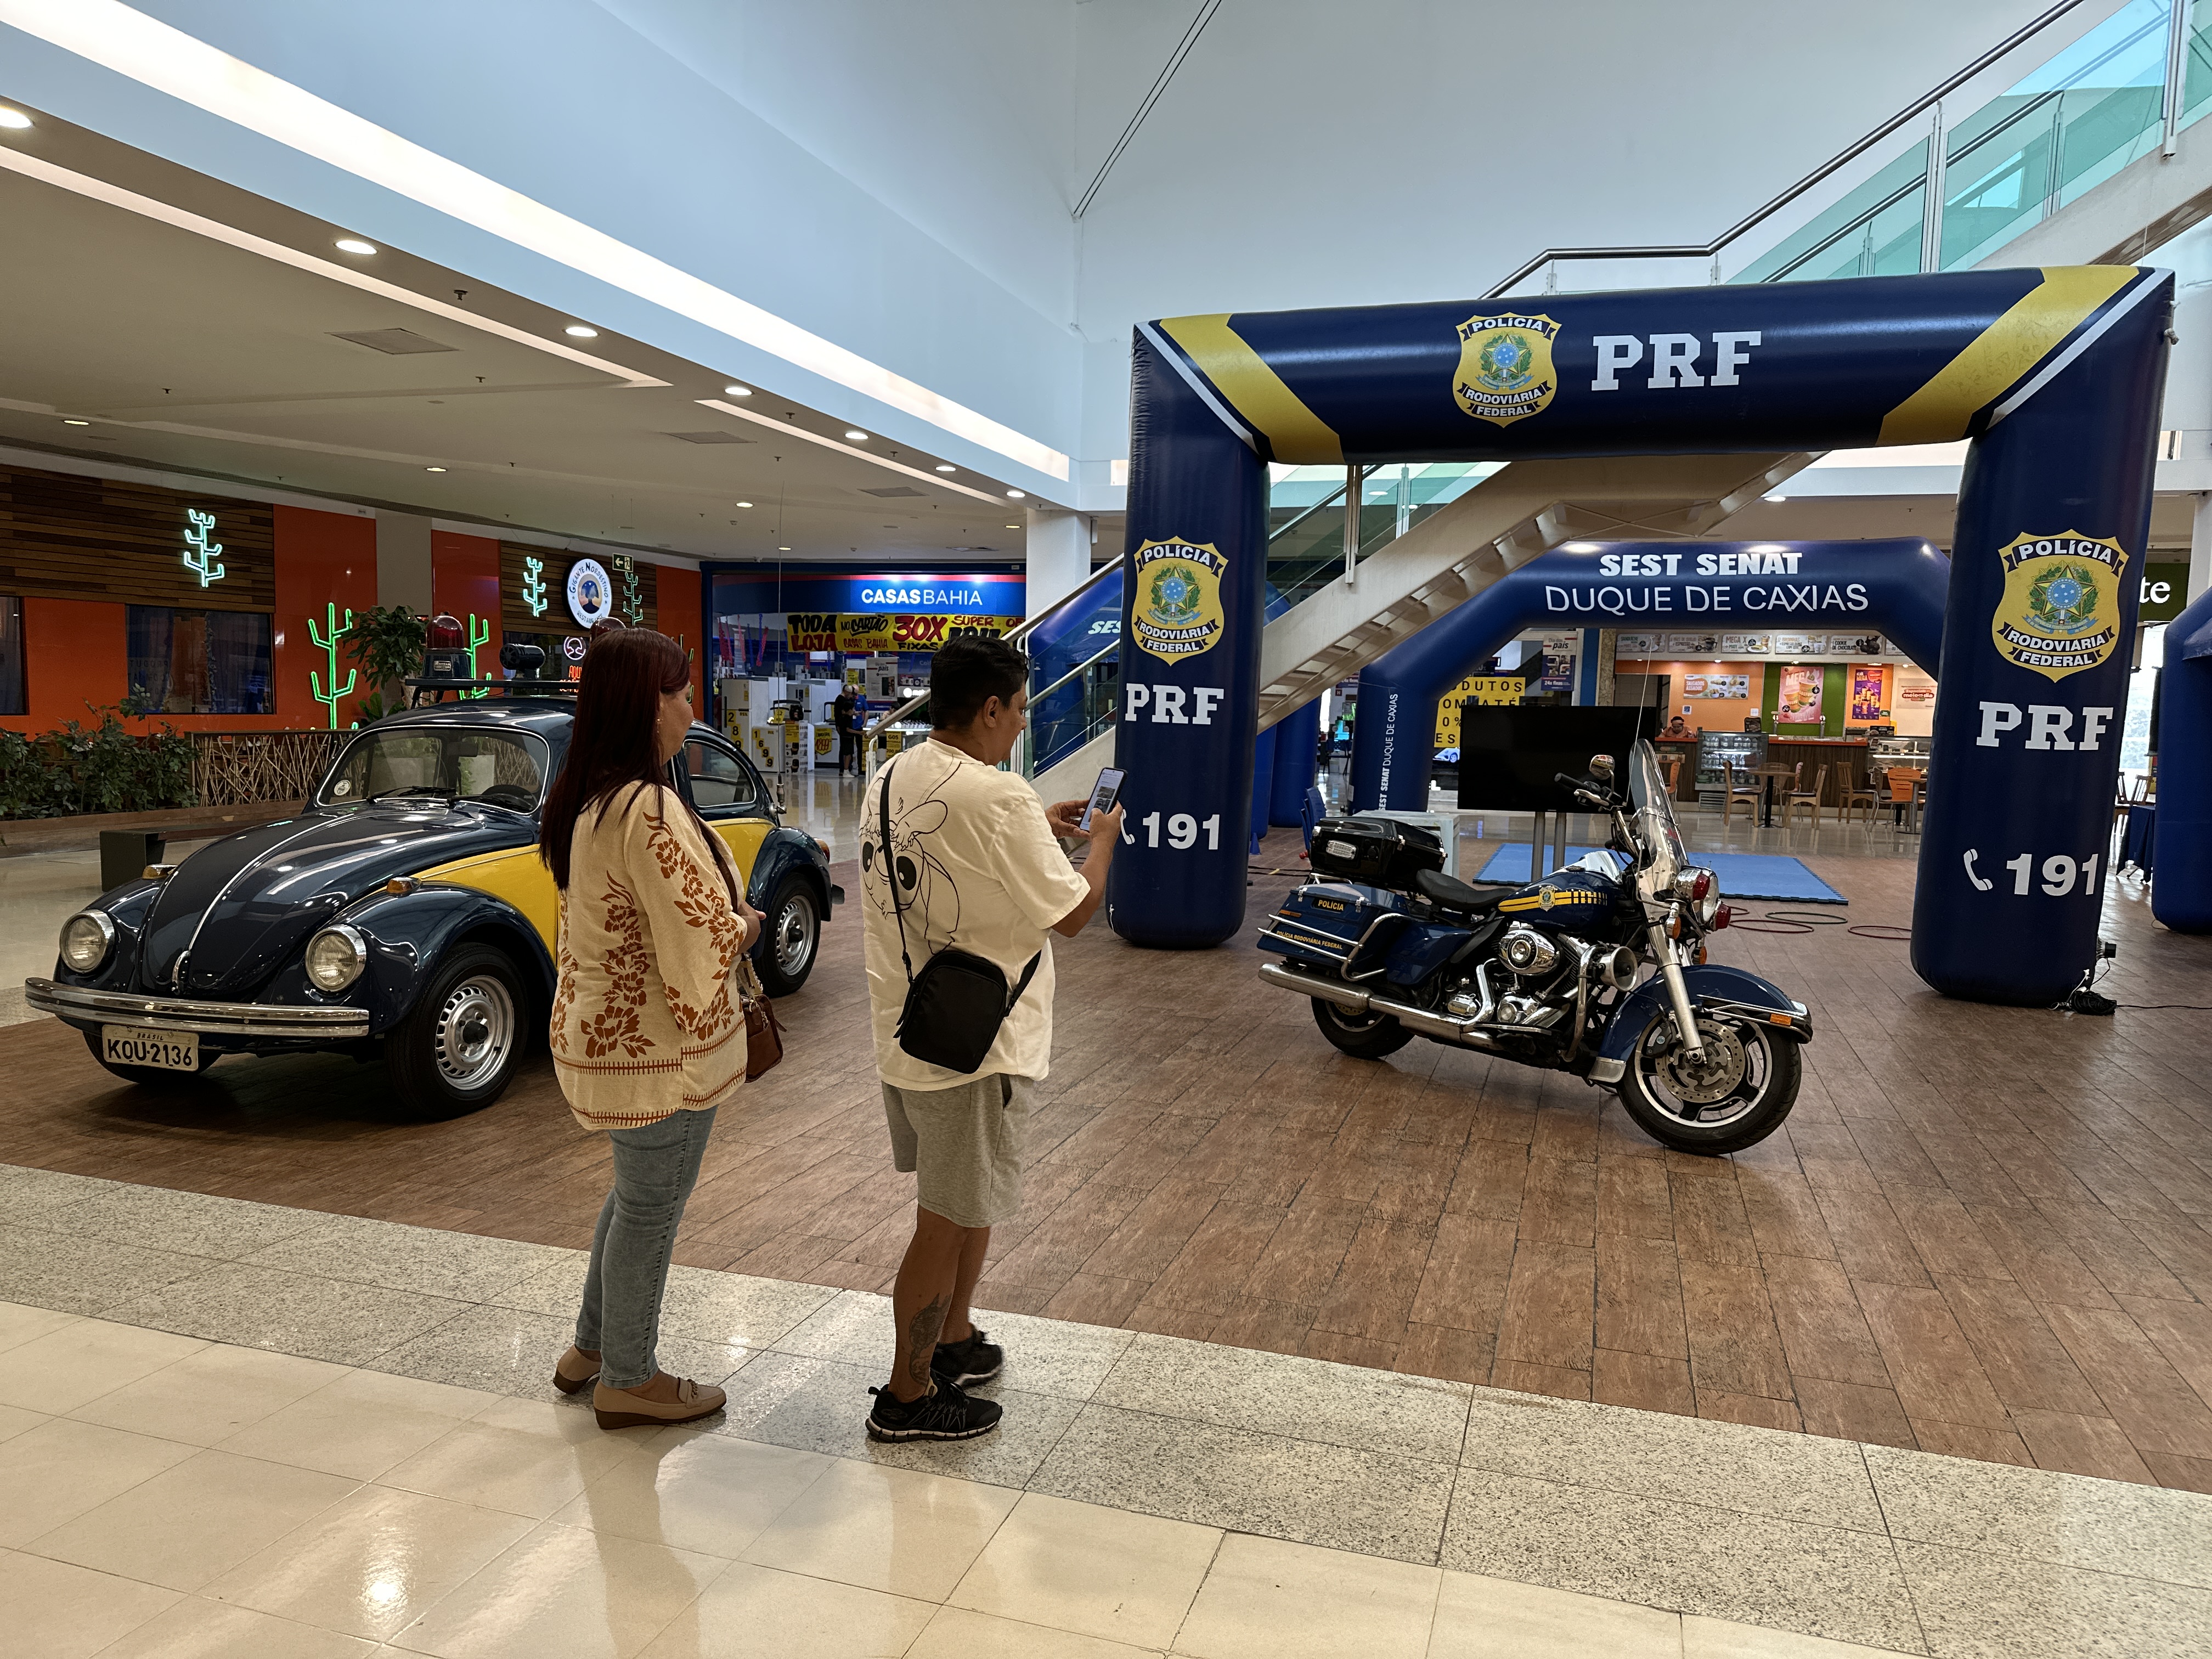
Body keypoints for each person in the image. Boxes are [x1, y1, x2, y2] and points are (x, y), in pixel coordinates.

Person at [858, 635, 1122, 1442]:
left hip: (908, 1026)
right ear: (989, 709)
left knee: (964, 1201)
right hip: (975, 1047)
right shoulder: (999, 796)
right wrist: (1101, 845)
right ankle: (906, 1399)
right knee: (942, 1219)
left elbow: (955, 845)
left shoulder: (891, 775)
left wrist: (1039, 826)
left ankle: (954, 1337)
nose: (1023, 723)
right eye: (1020, 709)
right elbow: (1074, 914)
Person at [538, 629, 765, 1431]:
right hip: (660, 1051)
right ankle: (630, 1379)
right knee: (651, 1208)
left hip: (603, 1037)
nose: (690, 710)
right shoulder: (648, 807)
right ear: (646, 704)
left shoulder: (589, 798)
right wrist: (747, 924)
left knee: (633, 1197)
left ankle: (592, 1348)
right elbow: (702, 936)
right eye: (680, 693)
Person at [833, 684, 861, 776]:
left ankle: (847, 768)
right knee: (845, 751)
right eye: (850, 694)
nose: (851, 696)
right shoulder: (840, 700)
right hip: (844, 730)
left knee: (847, 751)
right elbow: (838, 713)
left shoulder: (845, 702)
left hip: (843, 728)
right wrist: (859, 732)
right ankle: (844, 769)